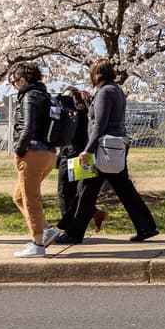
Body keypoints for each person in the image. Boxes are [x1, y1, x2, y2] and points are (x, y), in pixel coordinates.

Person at [55, 60, 158, 244]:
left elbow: (100, 124)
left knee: (86, 190)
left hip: (103, 149)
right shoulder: (114, 90)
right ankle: (146, 226)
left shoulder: (105, 92)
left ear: (96, 74)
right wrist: (90, 101)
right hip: (115, 147)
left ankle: (73, 232)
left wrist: (88, 150)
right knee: (124, 189)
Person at [7, 62, 59, 258]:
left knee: (30, 199)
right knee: (19, 197)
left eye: (14, 82)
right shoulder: (45, 95)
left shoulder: (29, 97)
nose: (14, 86)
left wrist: (19, 150)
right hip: (49, 153)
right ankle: (46, 229)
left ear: (23, 80)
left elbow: (28, 128)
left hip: (33, 153)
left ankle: (37, 243)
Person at [53, 88, 106, 240]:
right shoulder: (75, 113)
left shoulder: (79, 113)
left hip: (76, 155)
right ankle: (94, 213)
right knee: (75, 193)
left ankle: (70, 229)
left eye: (69, 97)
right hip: (74, 153)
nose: (66, 100)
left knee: (66, 192)